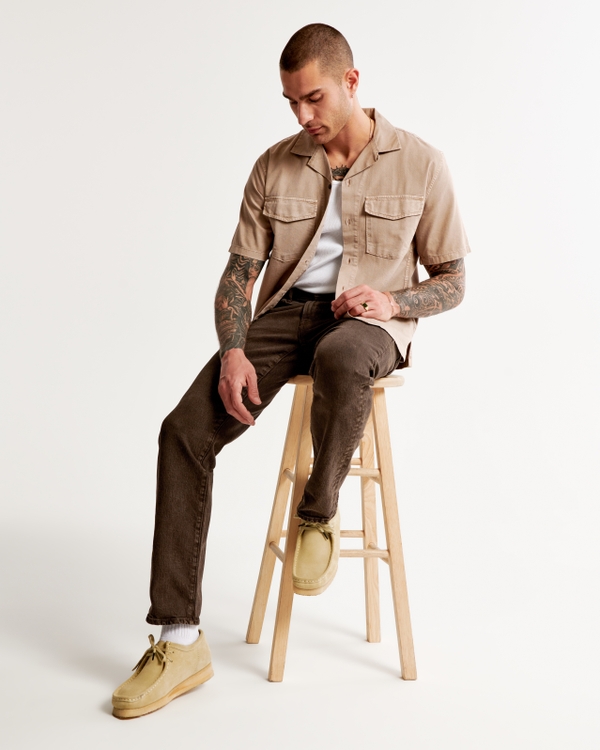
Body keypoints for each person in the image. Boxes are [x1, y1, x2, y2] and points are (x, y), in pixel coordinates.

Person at [112, 23, 470, 719]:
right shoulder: (274, 166)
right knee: (182, 433)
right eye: (291, 102)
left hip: (368, 325)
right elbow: (238, 275)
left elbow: (454, 280)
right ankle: (179, 640)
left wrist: (394, 302)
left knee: (342, 355)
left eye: (314, 98)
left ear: (352, 82)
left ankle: (318, 512)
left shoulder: (421, 162)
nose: (303, 115)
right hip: (285, 316)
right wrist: (234, 349)